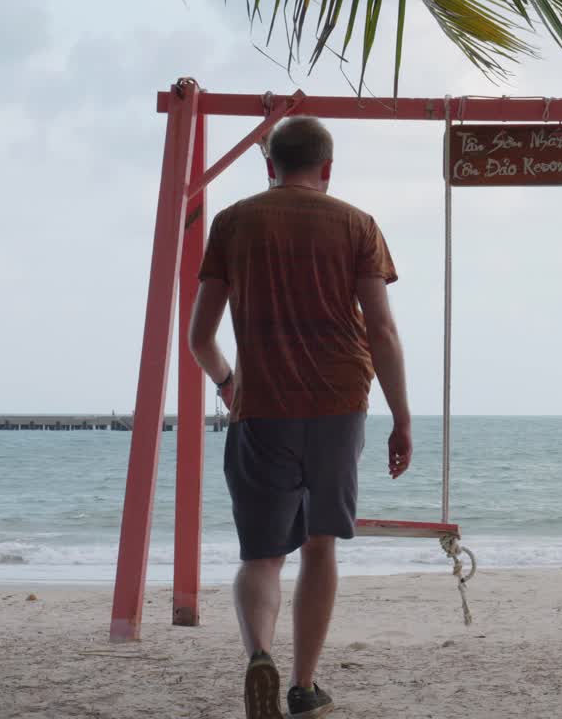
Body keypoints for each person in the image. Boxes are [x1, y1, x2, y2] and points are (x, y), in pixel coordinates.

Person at [188, 116, 413, 719]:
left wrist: (231, 385)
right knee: (320, 547)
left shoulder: (233, 223)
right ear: (328, 167)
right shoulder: (357, 224)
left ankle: (260, 652)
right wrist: (402, 417)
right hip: (340, 405)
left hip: (261, 408)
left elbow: (199, 338)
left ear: (270, 166)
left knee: (262, 555)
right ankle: (303, 686)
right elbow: (384, 330)